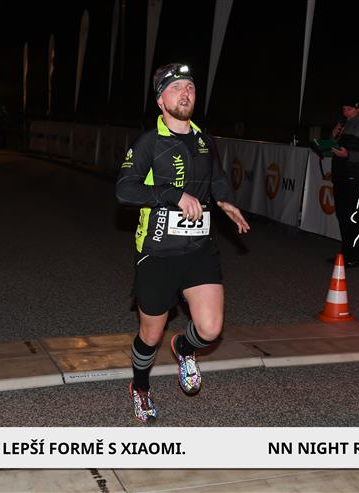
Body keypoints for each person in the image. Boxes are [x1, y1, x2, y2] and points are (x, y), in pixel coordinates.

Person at [116, 62, 250, 423]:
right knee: (150, 334)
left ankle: (184, 347)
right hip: (157, 251)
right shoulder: (149, 142)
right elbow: (124, 190)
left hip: (199, 249)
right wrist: (173, 195)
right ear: (161, 101)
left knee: (210, 328)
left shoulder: (205, 140)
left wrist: (226, 201)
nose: (185, 93)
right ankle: (140, 387)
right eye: (176, 88)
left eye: (190, 87)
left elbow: (216, 178)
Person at [312, 98, 359, 267]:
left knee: (352, 217)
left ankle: (353, 257)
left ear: (358, 108)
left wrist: (347, 155)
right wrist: (332, 136)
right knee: (341, 216)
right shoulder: (343, 124)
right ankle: (345, 253)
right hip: (339, 175)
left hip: (355, 177)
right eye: (343, 109)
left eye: (349, 109)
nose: (345, 112)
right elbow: (331, 148)